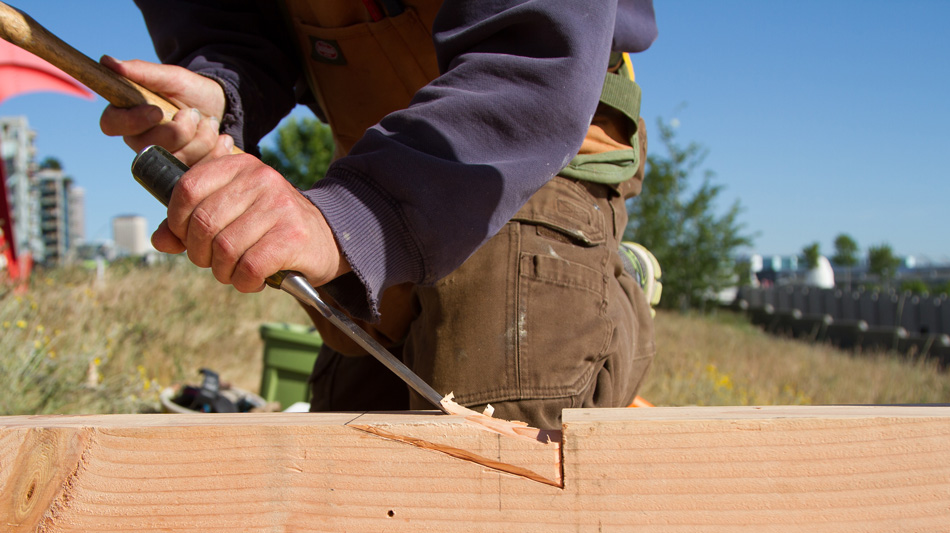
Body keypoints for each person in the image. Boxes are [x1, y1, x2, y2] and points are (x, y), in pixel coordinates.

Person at [101, 0, 659, 429]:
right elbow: (233, 29)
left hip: (528, 142)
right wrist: (222, 90)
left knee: (490, 439)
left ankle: (603, 294)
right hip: (375, 149)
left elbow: (531, 51)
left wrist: (346, 222)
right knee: (352, 447)